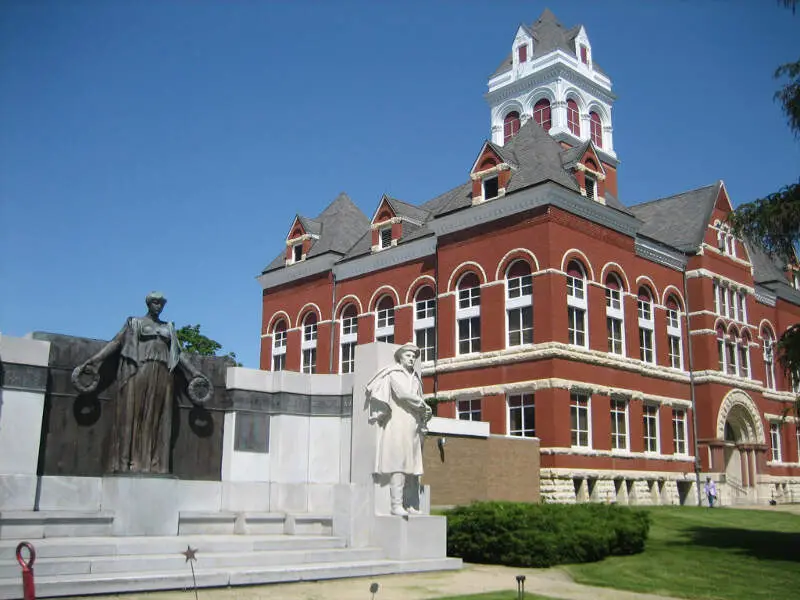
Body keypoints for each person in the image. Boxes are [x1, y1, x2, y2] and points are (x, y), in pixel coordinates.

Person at [72, 292, 212, 474]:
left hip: (163, 373)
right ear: (148, 304)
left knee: (157, 418)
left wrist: (194, 372)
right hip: (139, 370)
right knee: (134, 414)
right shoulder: (135, 322)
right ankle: (128, 462)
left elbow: (178, 354)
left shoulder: (168, 328)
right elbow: (116, 343)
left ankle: (155, 465)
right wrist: (95, 361)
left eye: (161, 303)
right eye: (155, 302)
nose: (158, 306)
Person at [365, 343, 432, 516]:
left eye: (413, 356)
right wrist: (422, 404)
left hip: (413, 425)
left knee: (413, 466)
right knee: (399, 463)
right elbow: (403, 395)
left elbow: (419, 398)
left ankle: (409, 503)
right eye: (408, 355)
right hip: (398, 423)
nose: (411, 359)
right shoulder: (394, 374)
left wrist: (425, 411)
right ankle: (395, 504)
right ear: (400, 357)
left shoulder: (415, 378)